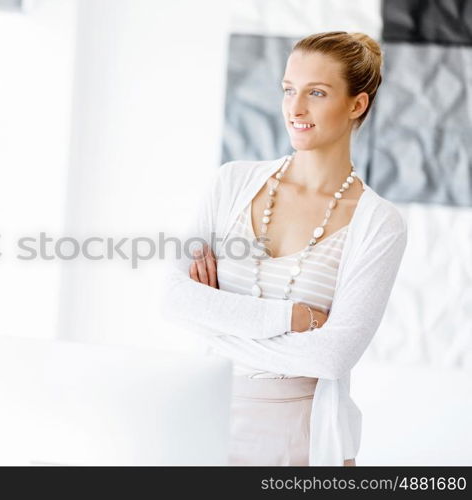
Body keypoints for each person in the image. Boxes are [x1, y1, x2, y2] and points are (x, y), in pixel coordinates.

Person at [161, 31, 408, 466]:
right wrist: (293, 318)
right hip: (204, 416)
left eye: (316, 92)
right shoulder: (232, 183)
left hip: (301, 435)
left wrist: (214, 321)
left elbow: (331, 357)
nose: (295, 109)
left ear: (356, 104)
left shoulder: (378, 223)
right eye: (288, 90)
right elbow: (172, 299)